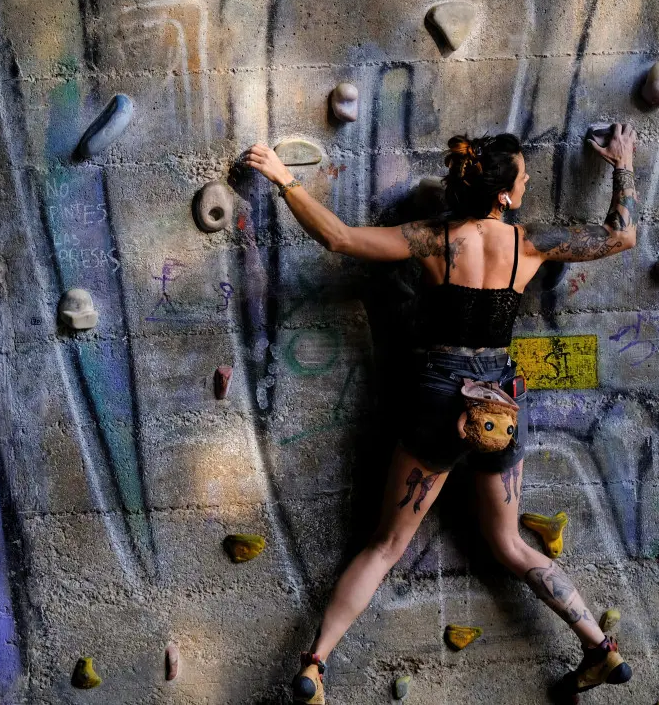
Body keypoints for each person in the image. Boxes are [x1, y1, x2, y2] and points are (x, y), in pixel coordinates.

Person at [243, 125, 639, 704]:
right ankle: (600, 647)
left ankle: (315, 666)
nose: (528, 181)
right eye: (525, 176)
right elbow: (622, 236)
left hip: (437, 396)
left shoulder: (434, 239)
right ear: (504, 195)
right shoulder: (530, 243)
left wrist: (285, 182)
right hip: (499, 404)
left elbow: (340, 239)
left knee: (384, 546)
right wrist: (622, 166)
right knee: (510, 546)